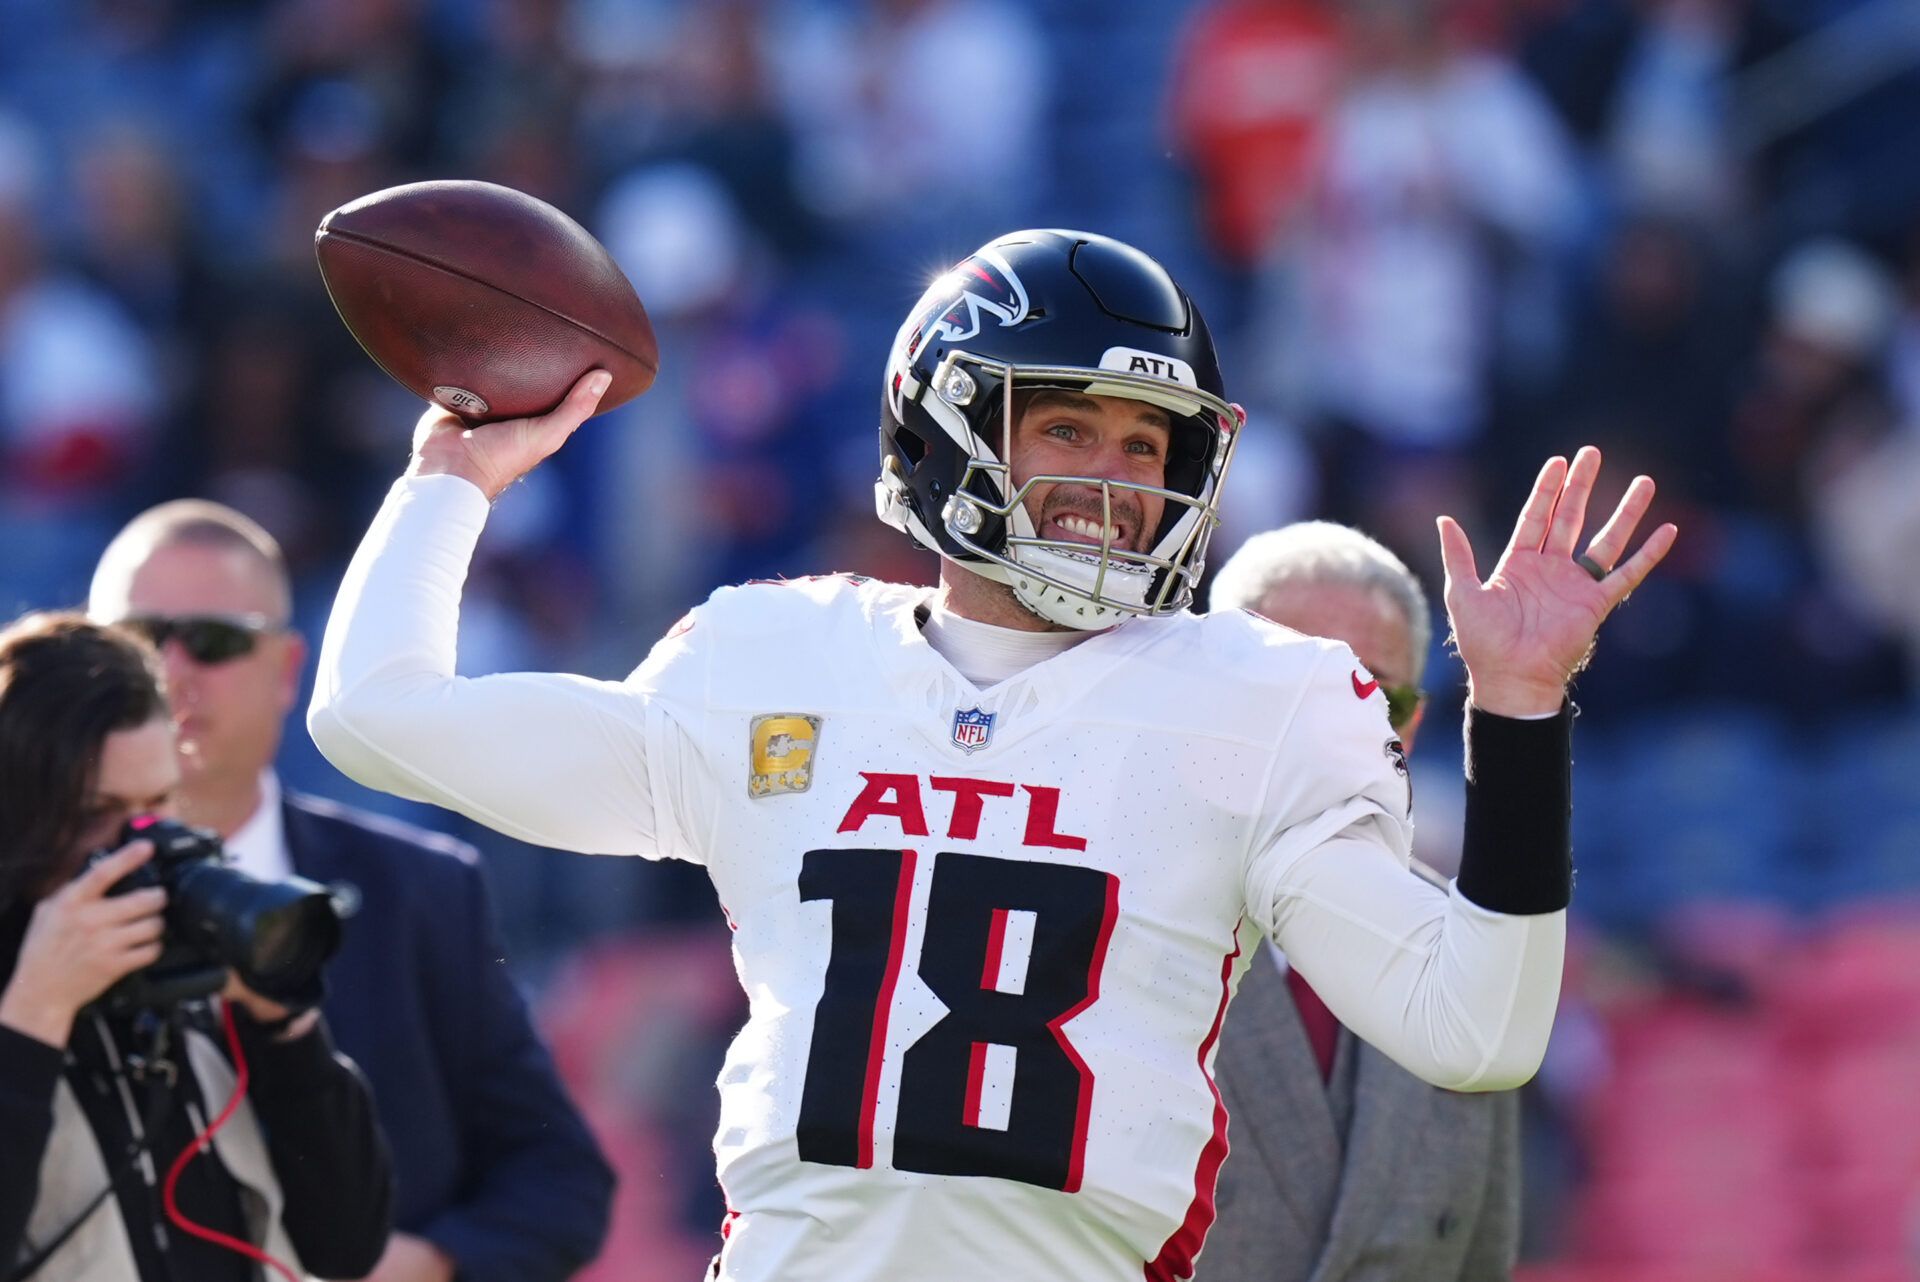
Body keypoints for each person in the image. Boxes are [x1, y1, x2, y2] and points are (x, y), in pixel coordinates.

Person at [307, 228, 1675, 1281]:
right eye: (1068, 425)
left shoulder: (1261, 697)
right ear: (951, 423)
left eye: (1149, 441)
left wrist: (1515, 711)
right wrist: (452, 477)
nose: (1115, 473)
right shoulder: (773, 658)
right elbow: (373, 713)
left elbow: (1479, 1031)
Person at [88, 502, 616, 1282]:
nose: (170, 672)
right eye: (136, 641)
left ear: (289, 671)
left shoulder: (420, 891)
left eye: (214, 640)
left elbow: (560, 1181)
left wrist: (424, 1265)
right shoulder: (24, 890)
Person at [0, 612, 391, 1280]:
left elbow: (348, 1246)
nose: (142, 845)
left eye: (157, 805)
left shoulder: (188, 954)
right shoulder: (21, 1000)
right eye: (98, 814)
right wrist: (35, 1015)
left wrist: (285, 1029)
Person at [1203, 520, 1520, 1280]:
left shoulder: (1466, 946)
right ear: (1207, 691)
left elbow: (1482, 1255)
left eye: (1372, 691)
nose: (1331, 717)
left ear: (1410, 724)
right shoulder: (1109, 911)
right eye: (1289, 677)